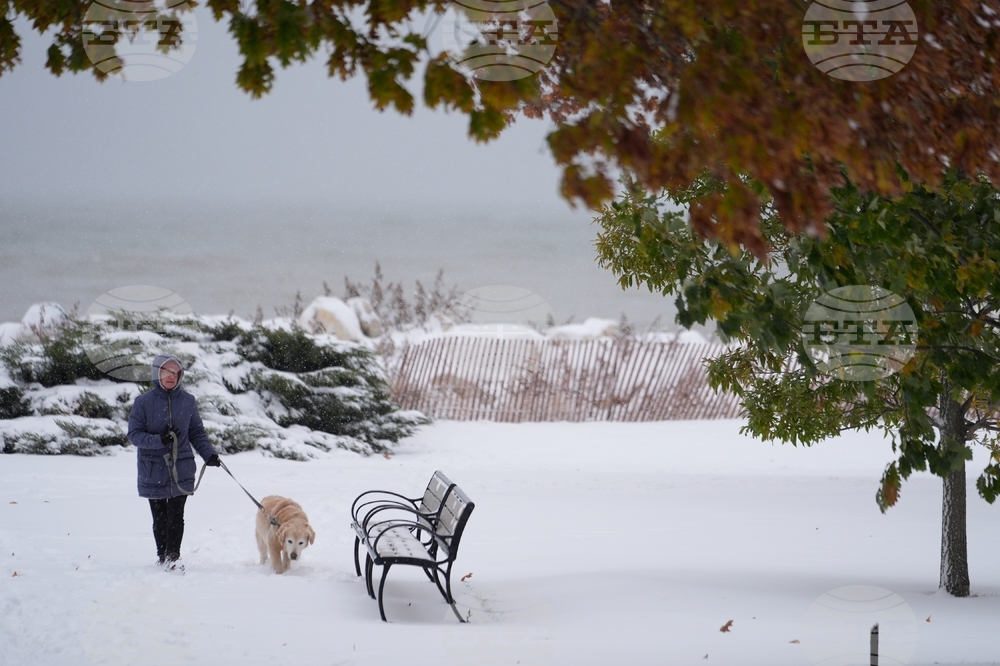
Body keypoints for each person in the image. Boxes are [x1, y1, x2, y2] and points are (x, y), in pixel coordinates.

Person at [127, 354, 221, 571]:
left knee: (176, 514)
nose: (170, 376)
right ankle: (162, 555)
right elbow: (134, 434)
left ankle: (172, 557)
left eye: (174, 372)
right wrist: (158, 440)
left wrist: (209, 454)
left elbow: (196, 432)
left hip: (182, 466)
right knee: (160, 516)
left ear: (180, 375)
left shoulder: (188, 401)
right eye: (165, 372)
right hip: (153, 468)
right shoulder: (143, 402)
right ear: (157, 373)